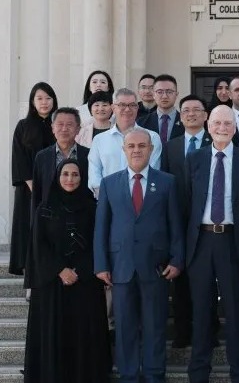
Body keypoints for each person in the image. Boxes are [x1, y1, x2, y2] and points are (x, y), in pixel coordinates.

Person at [94, 129, 184, 383]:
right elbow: (102, 227)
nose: (136, 150)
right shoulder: (109, 183)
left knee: (155, 325)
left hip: (156, 267)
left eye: (142, 146)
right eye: (131, 146)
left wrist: (177, 259)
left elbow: (176, 224)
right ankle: (129, 375)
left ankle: (154, 374)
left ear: (151, 149)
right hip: (121, 267)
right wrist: (101, 264)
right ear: (123, 150)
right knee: (125, 327)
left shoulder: (167, 182)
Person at [186, 105, 239, 383]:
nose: (222, 128)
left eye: (227, 123)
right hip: (201, 242)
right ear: (208, 126)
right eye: (217, 123)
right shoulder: (194, 159)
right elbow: (186, 203)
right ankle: (198, 372)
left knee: (235, 310)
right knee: (201, 311)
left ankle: (238, 372)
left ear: (234, 128)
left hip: (233, 241)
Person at [24, 159, 111, 383]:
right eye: (65, 174)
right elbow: (38, 246)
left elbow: (98, 242)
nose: (70, 179)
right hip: (52, 286)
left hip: (85, 285)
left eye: (75, 174)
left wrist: (79, 270)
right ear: (57, 177)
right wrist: (60, 270)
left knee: (85, 336)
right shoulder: (44, 209)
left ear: (82, 178)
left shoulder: (93, 208)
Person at [160, 94, 214, 349]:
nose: (191, 114)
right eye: (186, 110)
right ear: (180, 117)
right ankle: (183, 331)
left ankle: (209, 330)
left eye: (196, 110)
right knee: (180, 280)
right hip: (179, 221)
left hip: (208, 221)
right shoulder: (171, 146)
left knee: (208, 281)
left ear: (206, 115)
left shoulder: (217, 141)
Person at [10, 82, 58, 277]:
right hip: (28, 189)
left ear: (54, 101)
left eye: (48, 98)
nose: (44, 102)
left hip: (56, 188)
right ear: (32, 102)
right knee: (28, 226)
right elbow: (19, 159)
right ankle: (27, 268)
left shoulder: (59, 125)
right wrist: (35, 187)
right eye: (39, 98)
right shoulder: (23, 126)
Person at [88, 88, 162, 198]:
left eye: (132, 105)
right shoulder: (99, 140)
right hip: (108, 200)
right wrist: (109, 198)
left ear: (137, 108)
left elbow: (153, 172)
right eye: (122, 105)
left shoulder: (152, 137)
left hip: (142, 199)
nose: (127, 109)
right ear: (113, 108)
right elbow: (95, 176)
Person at [32, 108, 89, 220]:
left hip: (80, 219)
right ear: (53, 128)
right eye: (60, 124)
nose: (64, 129)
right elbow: (37, 195)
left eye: (69, 125)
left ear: (78, 129)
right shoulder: (42, 157)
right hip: (50, 219)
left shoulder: (88, 155)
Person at [137, 74, 184, 143]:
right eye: (160, 92)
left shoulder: (186, 122)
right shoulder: (141, 123)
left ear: (176, 94)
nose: (164, 96)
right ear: (153, 95)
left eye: (169, 92)